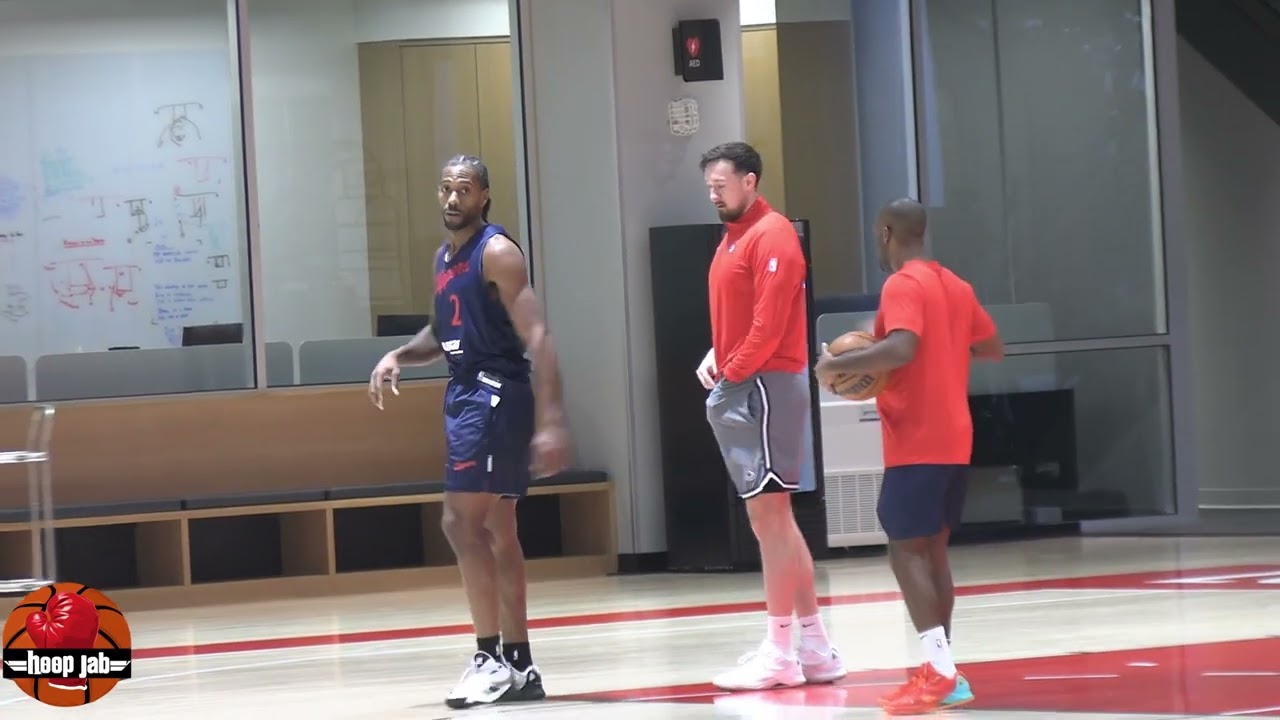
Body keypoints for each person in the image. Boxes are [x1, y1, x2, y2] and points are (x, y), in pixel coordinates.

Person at [368, 154, 570, 710]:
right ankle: (521, 665)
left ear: (484, 196)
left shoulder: (498, 253)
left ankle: (488, 659)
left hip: (494, 395)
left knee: (459, 522)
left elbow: (539, 337)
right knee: (498, 530)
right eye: (446, 189)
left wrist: (551, 420)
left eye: (465, 189)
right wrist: (398, 355)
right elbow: (442, 331)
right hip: (464, 395)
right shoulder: (445, 258)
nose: (453, 198)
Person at [814, 198, 1003, 715]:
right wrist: (945, 348)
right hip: (955, 437)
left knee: (905, 551)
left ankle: (940, 672)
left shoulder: (903, 284)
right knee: (932, 551)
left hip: (917, 439)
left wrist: (838, 363)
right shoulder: (956, 286)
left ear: (887, 232)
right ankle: (944, 672)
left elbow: (900, 349)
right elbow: (990, 347)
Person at [695, 141, 847, 691]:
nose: (713, 193)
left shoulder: (774, 234)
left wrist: (732, 370)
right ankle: (815, 645)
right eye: (709, 186)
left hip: (765, 386)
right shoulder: (733, 238)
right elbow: (741, 320)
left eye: (721, 184)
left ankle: (781, 649)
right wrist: (719, 353)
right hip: (749, 381)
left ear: (751, 181)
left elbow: (769, 325)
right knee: (776, 522)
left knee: (770, 521)